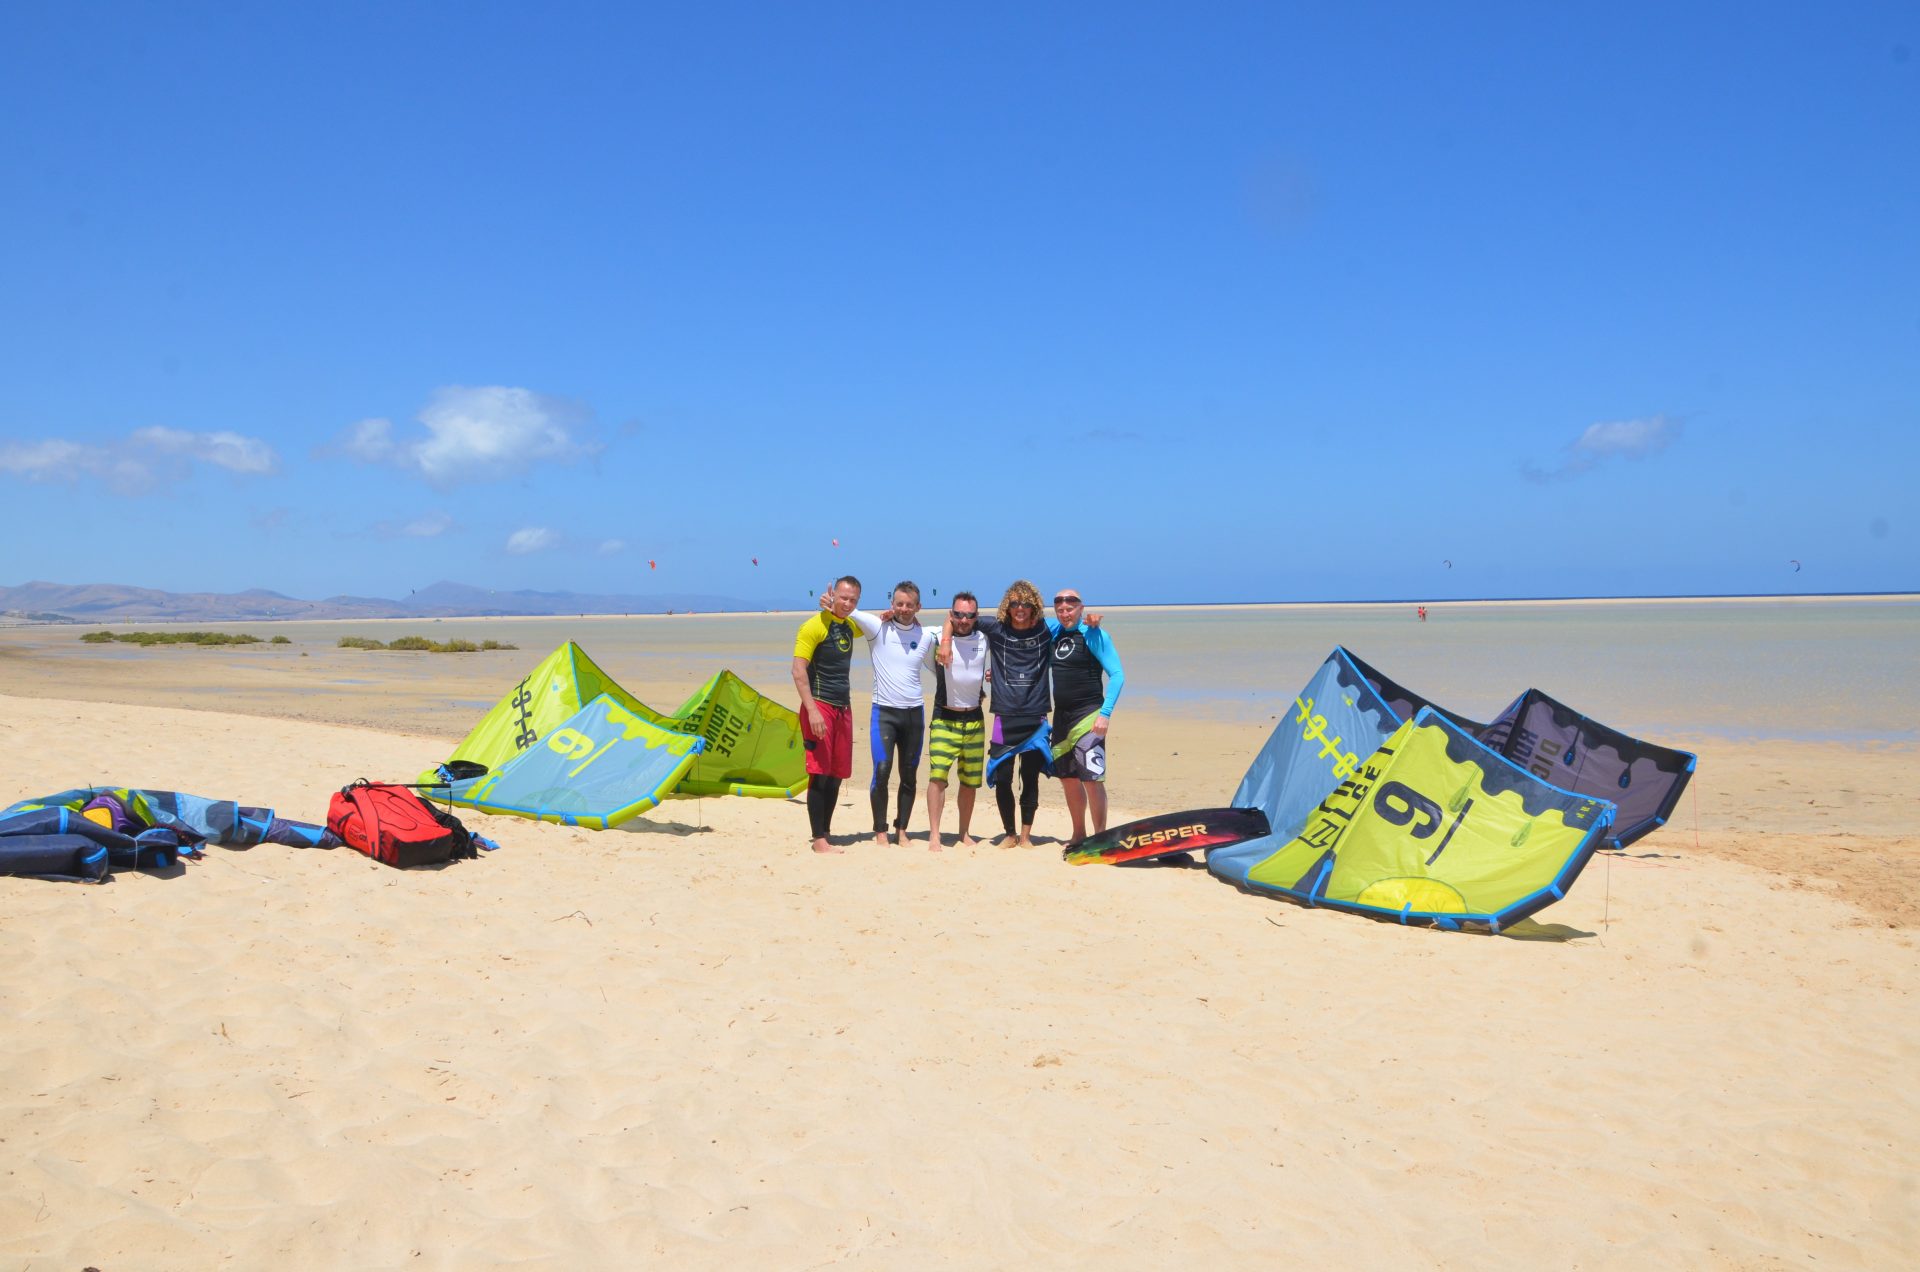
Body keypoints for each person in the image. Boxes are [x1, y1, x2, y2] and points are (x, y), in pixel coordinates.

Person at [943, 580, 1055, 847]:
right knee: (1003, 778)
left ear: (1034, 606)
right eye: (1015, 603)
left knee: (1029, 778)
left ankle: (1025, 836)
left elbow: (1072, 624)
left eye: (1025, 603)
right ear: (1008, 605)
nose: (1020, 608)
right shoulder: (997, 628)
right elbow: (956, 619)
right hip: (1004, 716)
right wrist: (945, 642)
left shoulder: (1045, 629)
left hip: (1036, 717)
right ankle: (1010, 834)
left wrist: (1091, 624)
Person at [841, 581, 940, 846]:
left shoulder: (926, 635)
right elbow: (848, 610)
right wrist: (832, 602)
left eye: (909, 605)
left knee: (909, 775)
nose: (904, 609)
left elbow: (955, 632)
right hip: (884, 713)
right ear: (892, 604)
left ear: (918, 606)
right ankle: (881, 831)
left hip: (914, 714)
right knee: (882, 770)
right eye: (899, 604)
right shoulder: (877, 628)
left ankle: (902, 830)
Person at [1045, 588, 1124, 846]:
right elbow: (1025, 625)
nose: (1065, 614)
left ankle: (1100, 837)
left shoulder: (1094, 634)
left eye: (1070, 609)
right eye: (1060, 610)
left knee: (1092, 779)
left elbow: (1117, 675)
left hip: (1089, 715)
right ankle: (1078, 834)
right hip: (1061, 718)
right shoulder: (1054, 633)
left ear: (1081, 608)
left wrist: (1105, 714)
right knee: (1068, 779)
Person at [791, 575, 861, 854]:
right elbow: (798, 671)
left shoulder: (850, 626)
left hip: (843, 707)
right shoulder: (813, 626)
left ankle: (827, 831)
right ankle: (818, 838)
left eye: (853, 600)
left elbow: (872, 624)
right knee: (819, 774)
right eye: (843, 598)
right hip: (819, 706)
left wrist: (889, 615)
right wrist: (811, 711)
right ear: (833, 596)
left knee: (836, 774)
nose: (847, 603)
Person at [924, 591, 989, 850]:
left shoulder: (984, 637)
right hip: (944, 718)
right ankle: (935, 834)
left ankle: (964, 833)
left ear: (976, 616)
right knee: (938, 777)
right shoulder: (936, 637)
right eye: (958, 614)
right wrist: (946, 639)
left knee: (970, 782)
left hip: (974, 719)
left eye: (969, 615)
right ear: (951, 614)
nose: (963, 620)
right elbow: (907, 625)